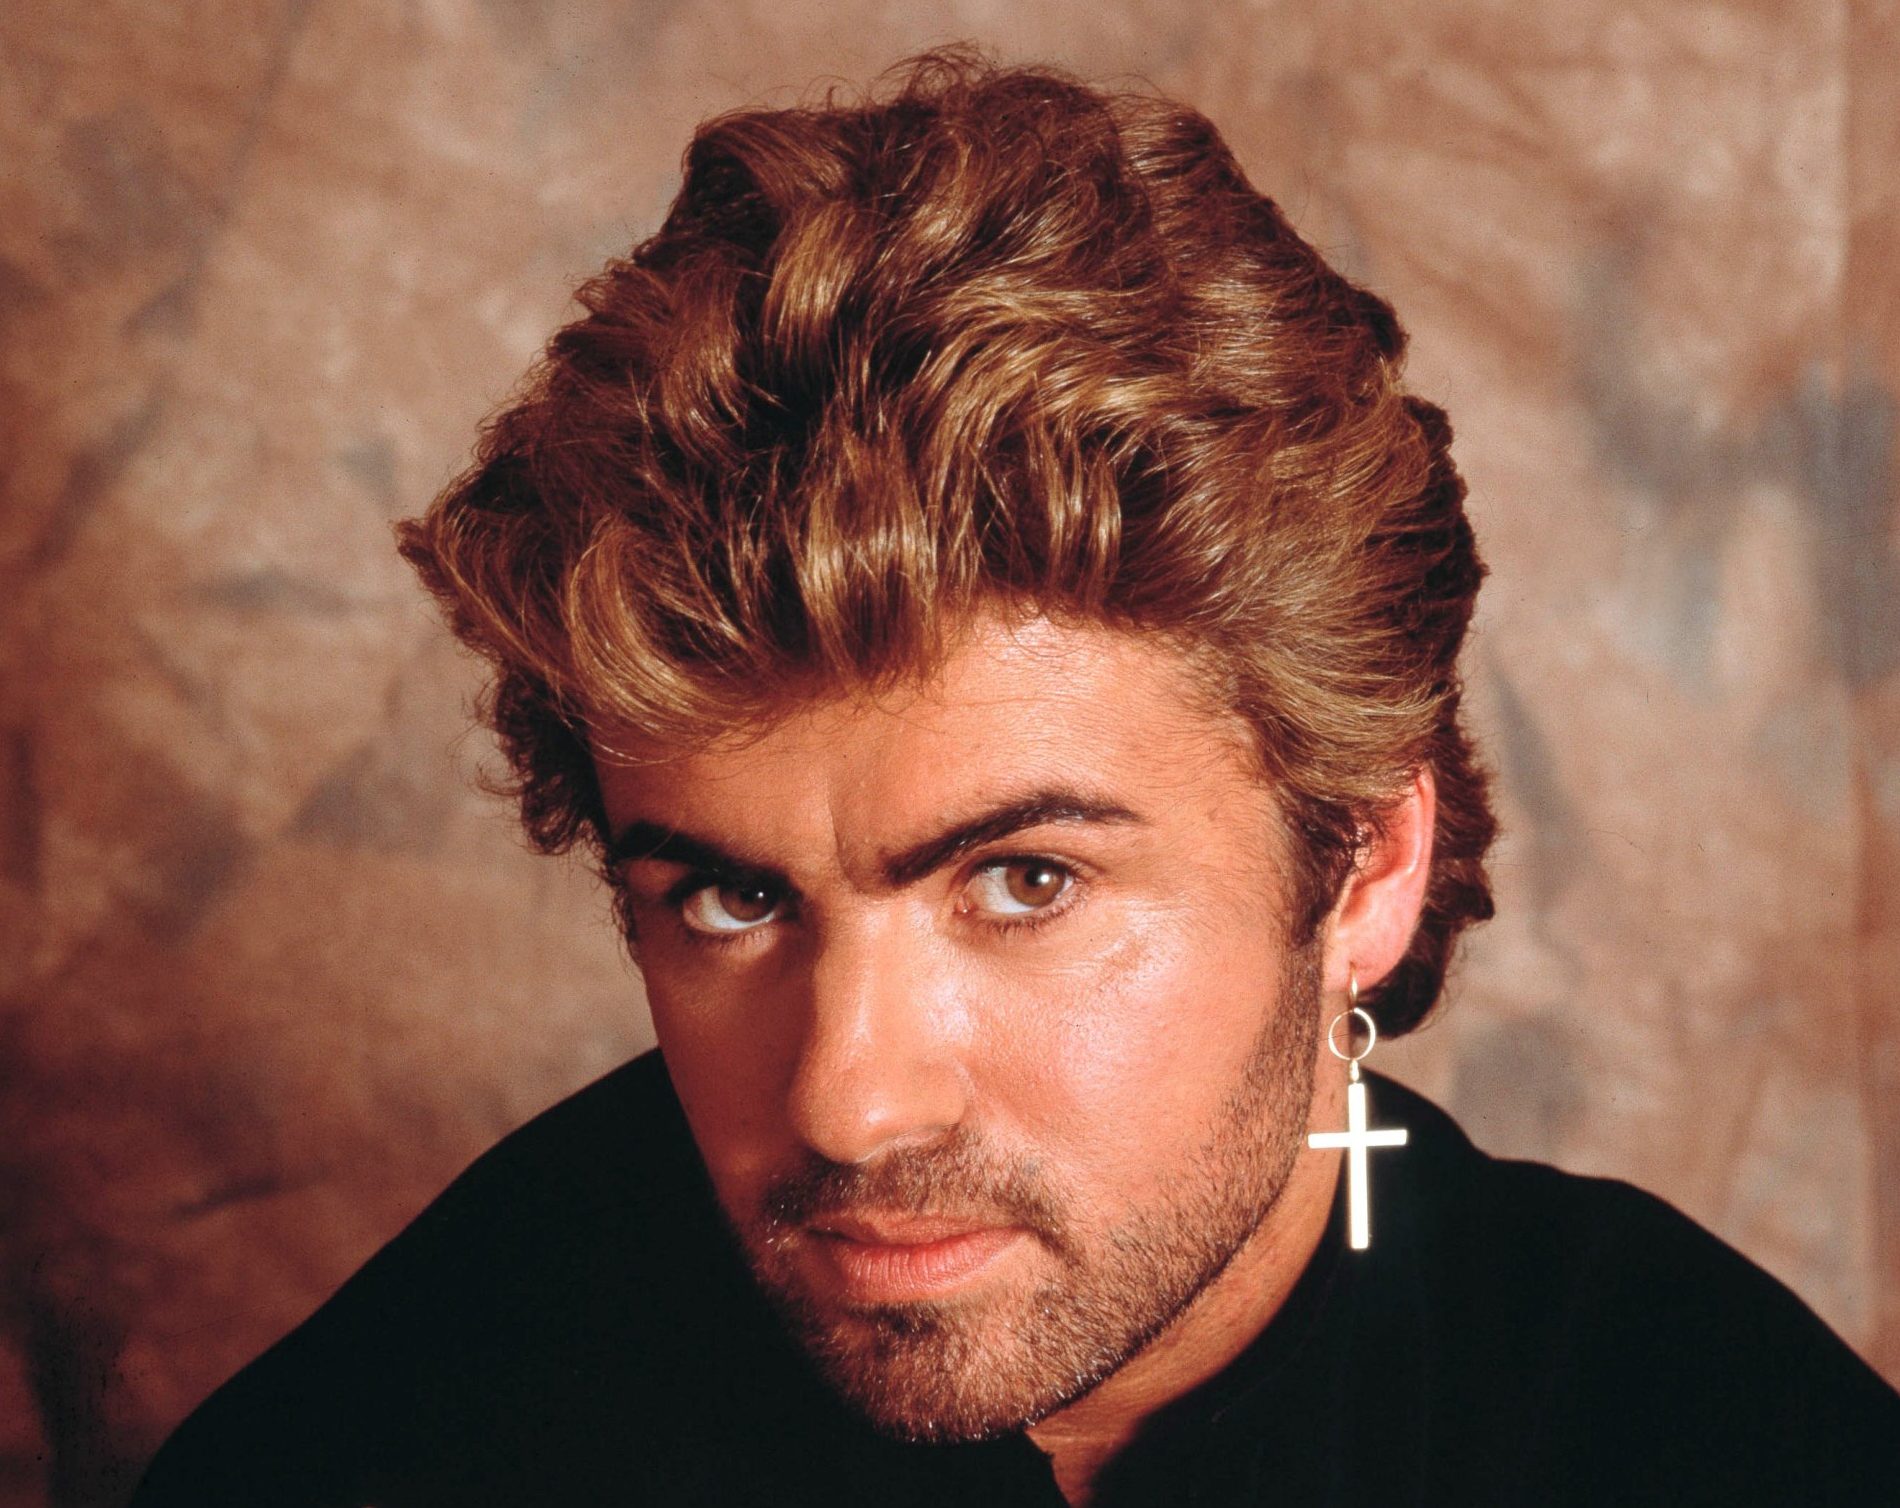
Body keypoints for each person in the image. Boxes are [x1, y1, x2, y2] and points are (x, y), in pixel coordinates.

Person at [133, 50, 1899, 1507]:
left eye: (1024, 882)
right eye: (729, 897)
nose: (847, 1105)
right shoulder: (405, 1436)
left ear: (1359, 871)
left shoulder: (1707, 1433)